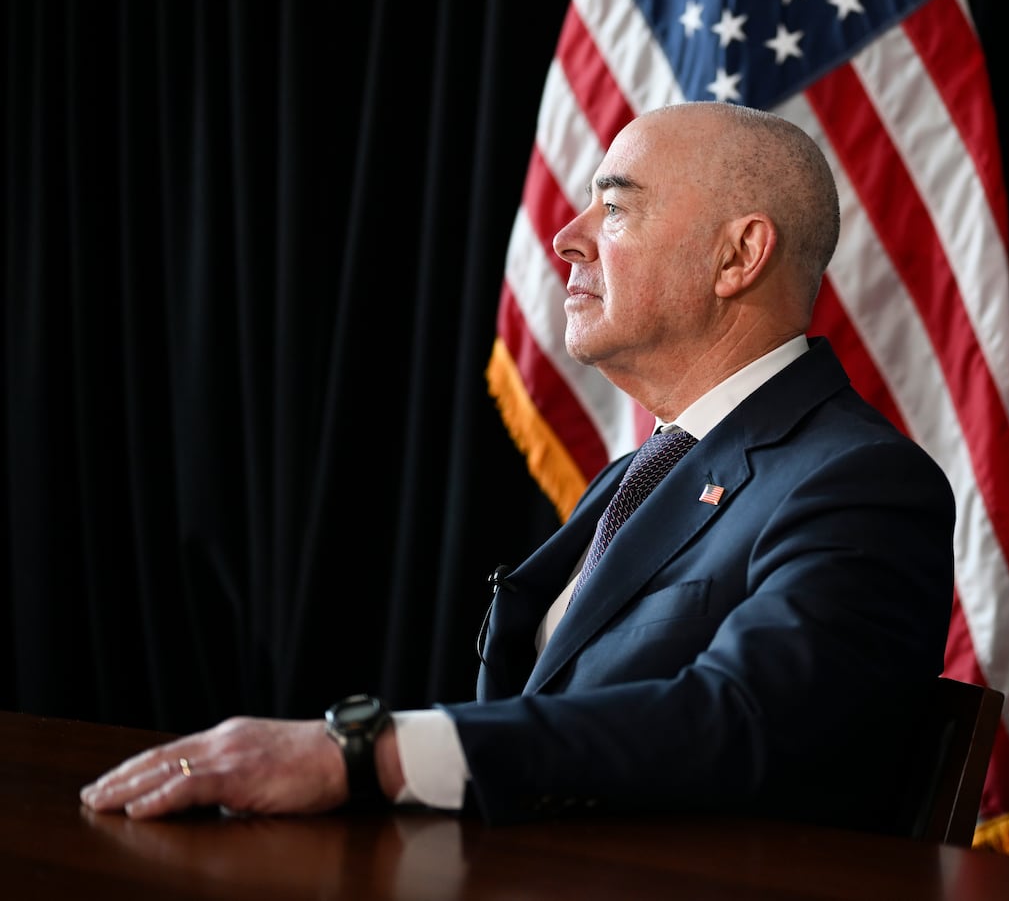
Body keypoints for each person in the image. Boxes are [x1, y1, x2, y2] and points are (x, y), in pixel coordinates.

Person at [79, 101, 957, 833]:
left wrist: (369, 751)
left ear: (738, 256)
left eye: (614, 208)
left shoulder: (862, 484)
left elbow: (738, 721)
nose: (566, 239)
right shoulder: (640, 473)